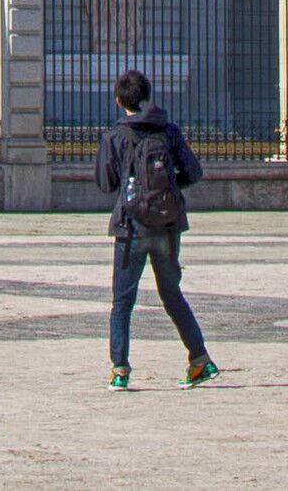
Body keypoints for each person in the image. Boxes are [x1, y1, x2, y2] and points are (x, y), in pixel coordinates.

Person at [96, 67, 215, 390]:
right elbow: (193, 172)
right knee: (172, 294)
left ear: (120, 101)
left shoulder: (115, 136)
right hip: (167, 225)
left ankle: (120, 369)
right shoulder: (170, 131)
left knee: (122, 301)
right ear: (148, 97)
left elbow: (106, 184)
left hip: (130, 227)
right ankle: (200, 359)